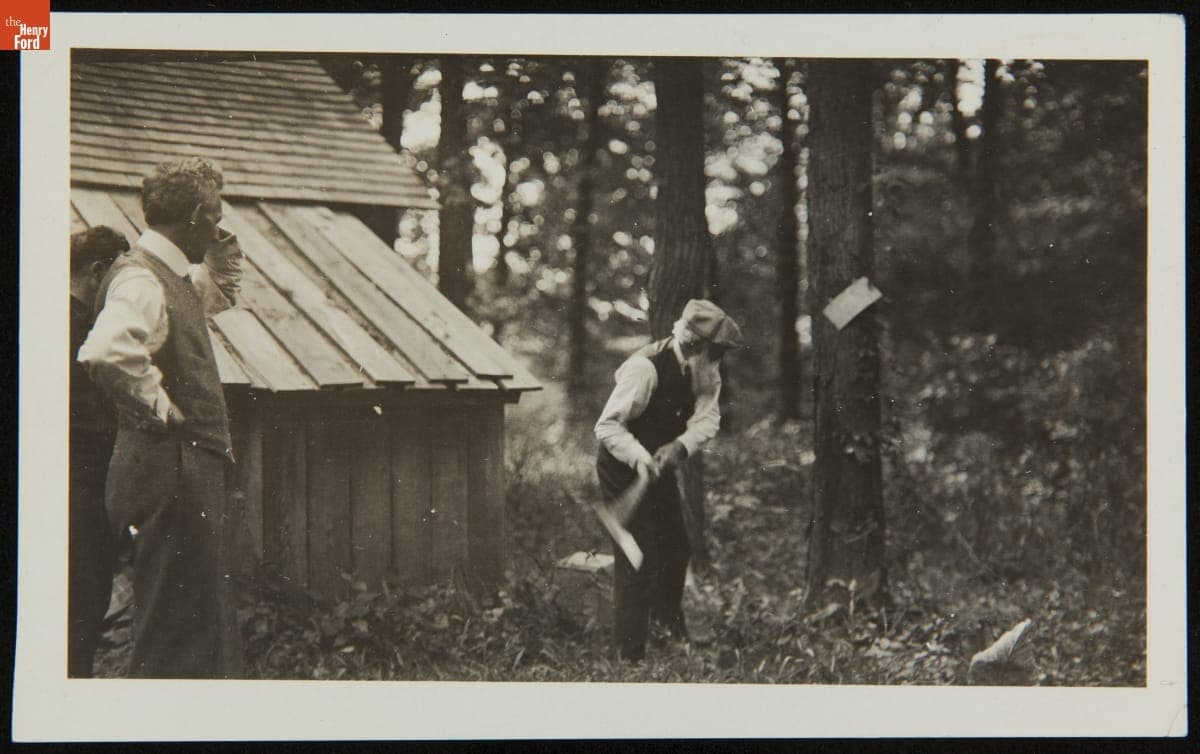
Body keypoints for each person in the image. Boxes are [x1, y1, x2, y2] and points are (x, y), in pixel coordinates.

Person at [78, 157, 243, 678]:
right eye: (213, 215)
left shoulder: (170, 278)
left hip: (176, 470)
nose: (218, 225)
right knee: (171, 633)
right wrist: (162, 409)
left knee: (185, 620)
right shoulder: (143, 281)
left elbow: (218, 293)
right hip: (171, 468)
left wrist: (220, 245)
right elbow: (105, 351)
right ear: (194, 214)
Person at [594, 298, 743, 662]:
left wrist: (679, 446)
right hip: (622, 465)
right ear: (694, 346)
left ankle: (668, 634)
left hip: (661, 464)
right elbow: (607, 426)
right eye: (715, 351)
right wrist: (641, 458)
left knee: (676, 548)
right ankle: (627, 654)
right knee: (637, 555)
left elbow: (707, 420)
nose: (719, 360)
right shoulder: (644, 369)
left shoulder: (707, 369)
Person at [68, 225, 130, 677]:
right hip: (81, 489)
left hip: (82, 488)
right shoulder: (77, 329)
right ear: (98, 271)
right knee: (83, 601)